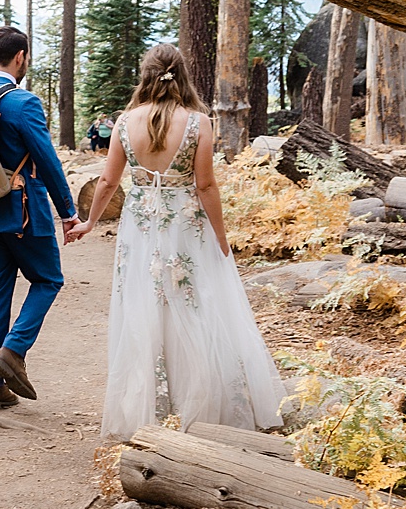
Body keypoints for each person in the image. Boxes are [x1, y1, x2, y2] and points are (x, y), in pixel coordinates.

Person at [67, 41, 283, 440]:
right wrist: (222, 238)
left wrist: (88, 223)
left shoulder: (123, 121)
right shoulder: (199, 123)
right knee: (197, 304)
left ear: (145, 75)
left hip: (140, 226)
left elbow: (109, 181)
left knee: (144, 306)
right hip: (187, 225)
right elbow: (205, 184)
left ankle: (149, 408)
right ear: (182, 75)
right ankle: (201, 404)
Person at [0, 27, 77, 412]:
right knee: (48, 279)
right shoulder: (23, 102)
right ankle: (13, 350)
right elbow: (46, 158)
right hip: (21, 210)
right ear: (21, 57)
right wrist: (68, 211)